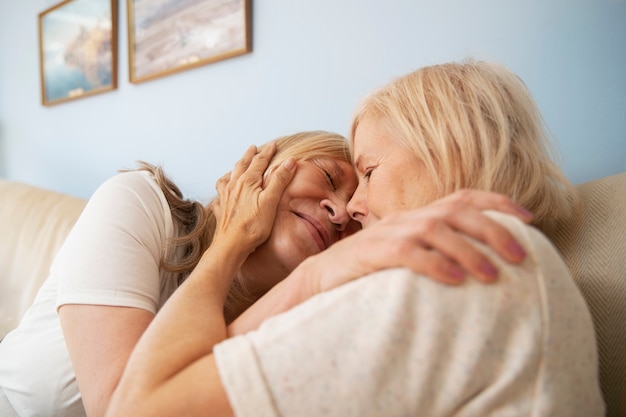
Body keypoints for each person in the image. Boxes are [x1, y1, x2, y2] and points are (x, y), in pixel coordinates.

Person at [105, 60, 605, 417]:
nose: (351, 210)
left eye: (368, 171)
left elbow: (139, 406)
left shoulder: (450, 276)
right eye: (337, 176)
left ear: (446, 146)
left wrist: (312, 274)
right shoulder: (473, 266)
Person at [0, 130, 527, 417]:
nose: (340, 212)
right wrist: (232, 240)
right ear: (268, 164)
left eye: (354, 216)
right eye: (329, 177)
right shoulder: (140, 202)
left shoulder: (296, 324)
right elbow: (119, 407)